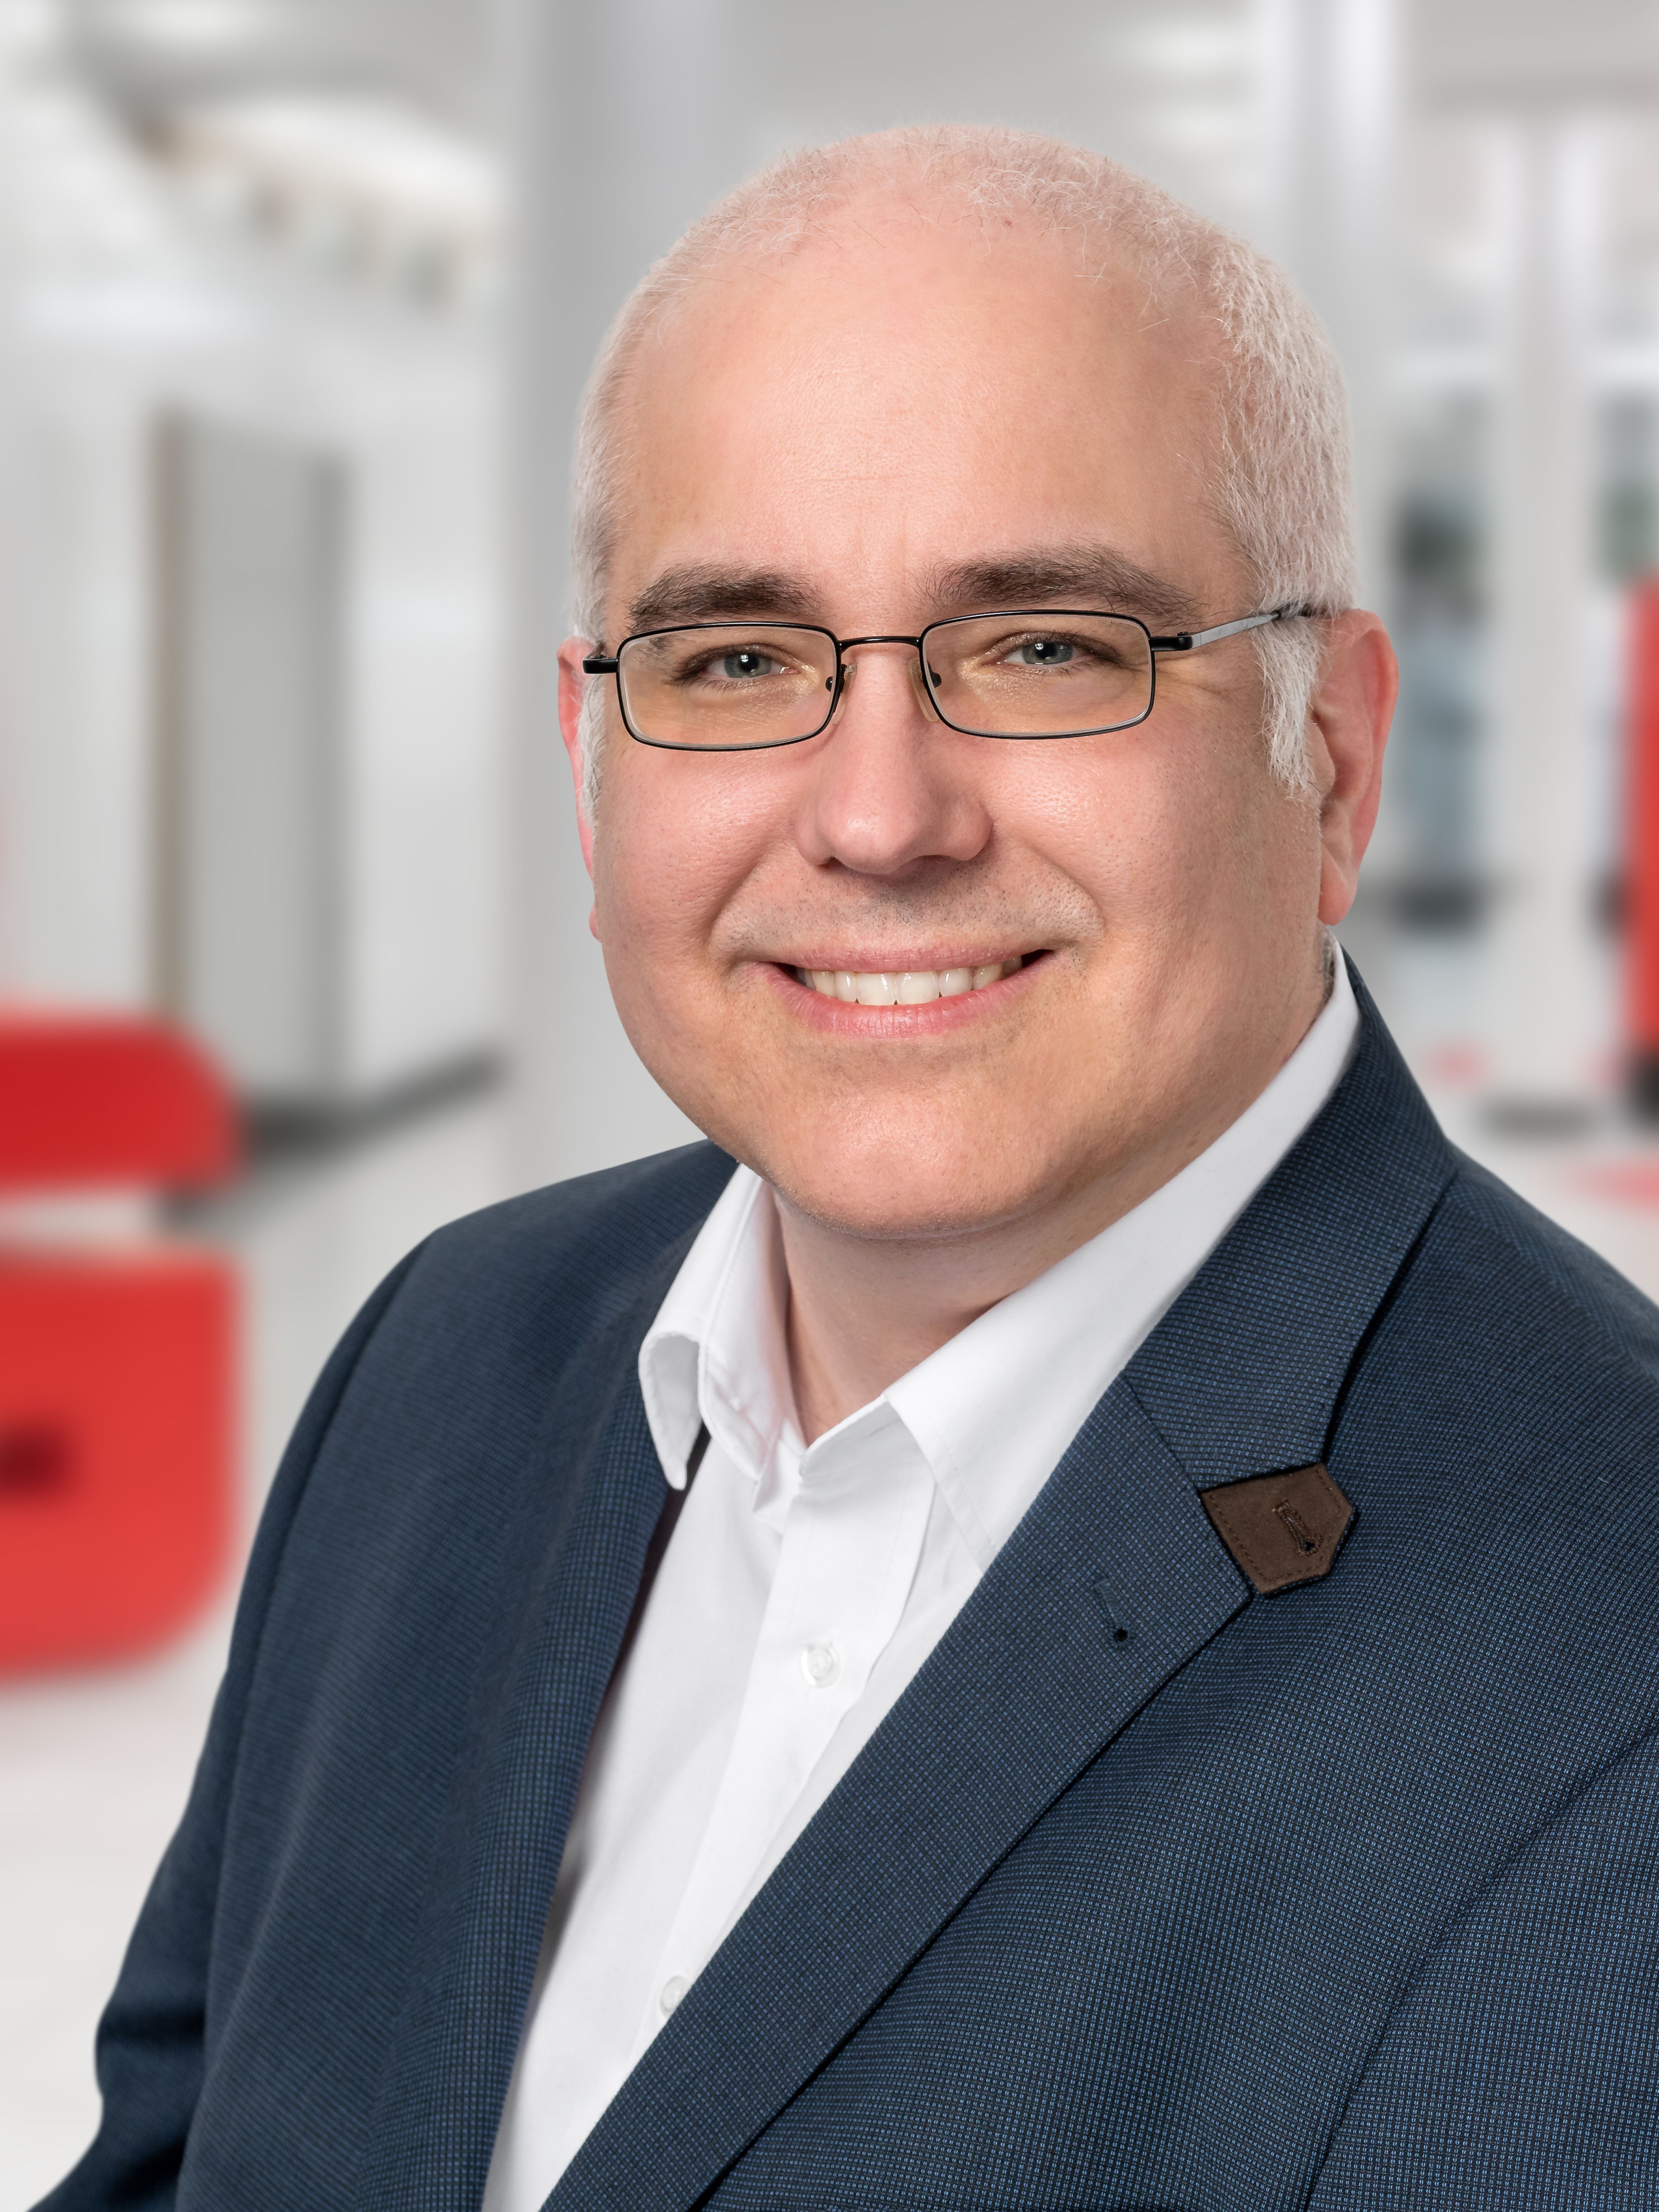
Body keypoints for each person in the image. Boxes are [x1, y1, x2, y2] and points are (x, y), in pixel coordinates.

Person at [41, 125, 1659, 2212]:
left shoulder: (1603, 1676)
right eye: (733, 661)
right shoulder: (452, 1359)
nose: (880, 820)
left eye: (1047, 645)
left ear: (1327, 756)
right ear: (590, 771)